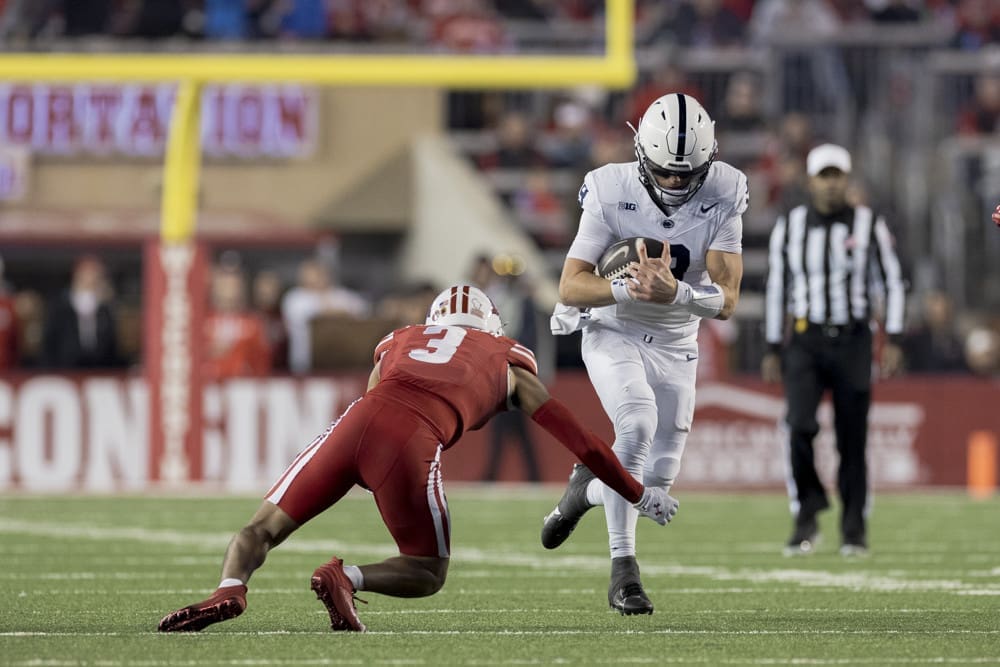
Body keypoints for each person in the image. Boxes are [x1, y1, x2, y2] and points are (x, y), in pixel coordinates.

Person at [158, 284, 678, 634]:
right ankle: (348, 577)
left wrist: (353, 464)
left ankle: (230, 588)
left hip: (354, 423)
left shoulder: (401, 340)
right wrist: (638, 491)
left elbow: (371, 395)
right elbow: (582, 441)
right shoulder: (507, 360)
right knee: (428, 571)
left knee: (262, 527)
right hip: (409, 440)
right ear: (491, 325)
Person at [545, 93, 748, 615]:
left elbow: (726, 303)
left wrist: (675, 293)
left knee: (656, 476)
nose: (677, 184)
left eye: (688, 174)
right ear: (640, 153)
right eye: (666, 172)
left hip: (679, 336)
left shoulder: (725, 190)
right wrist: (624, 290)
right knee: (635, 426)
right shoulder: (611, 188)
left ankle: (581, 495)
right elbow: (570, 286)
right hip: (615, 327)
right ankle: (624, 573)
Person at [761, 143, 905, 558]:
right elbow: (777, 289)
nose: (830, 184)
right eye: (823, 176)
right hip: (805, 340)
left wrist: (892, 338)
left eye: (836, 175)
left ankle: (854, 528)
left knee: (852, 437)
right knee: (799, 424)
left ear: (847, 178)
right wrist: (773, 344)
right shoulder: (790, 227)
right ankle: (807, 513)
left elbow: (891, 282)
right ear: (810, 181)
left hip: (854, 339)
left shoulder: (869, 223)